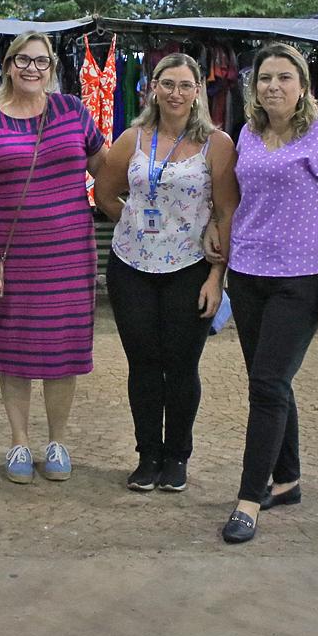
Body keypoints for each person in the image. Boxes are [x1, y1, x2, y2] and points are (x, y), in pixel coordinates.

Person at [207, 42, 318, 544]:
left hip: (299, 279)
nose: (273, 86)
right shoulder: (248, 134)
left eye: (284, 77)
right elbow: (238, 200)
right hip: (248, 274)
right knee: (271, 381)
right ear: (253, 87)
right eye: (265, 78)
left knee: (267, 385)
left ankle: (248, 499)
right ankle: (288, 479)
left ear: (303, 87)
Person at [0, 32, 107, 483]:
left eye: (41, 61)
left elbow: (108, 169)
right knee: (14, 351)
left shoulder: (73, 112)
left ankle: (57, 440)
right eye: (23, 60)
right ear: (7, 65)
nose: (32, 69)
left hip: (69, 258)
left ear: (53, 68)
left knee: (63, 349)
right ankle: (19, 441)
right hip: (11, 259)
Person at [93, 53, 230, 492]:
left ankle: (177, 456)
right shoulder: (132, 139)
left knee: (182, 365)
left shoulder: (216, 144)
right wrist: (132, 221)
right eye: (167, 83)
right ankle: (148, 454)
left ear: (197, 92)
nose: (175, 93)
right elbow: (104, 193)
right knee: (143, 364)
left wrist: (216, 277)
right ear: (153, 87)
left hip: (190, 268)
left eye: (185, 85)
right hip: (132, 267)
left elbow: (226, 212)